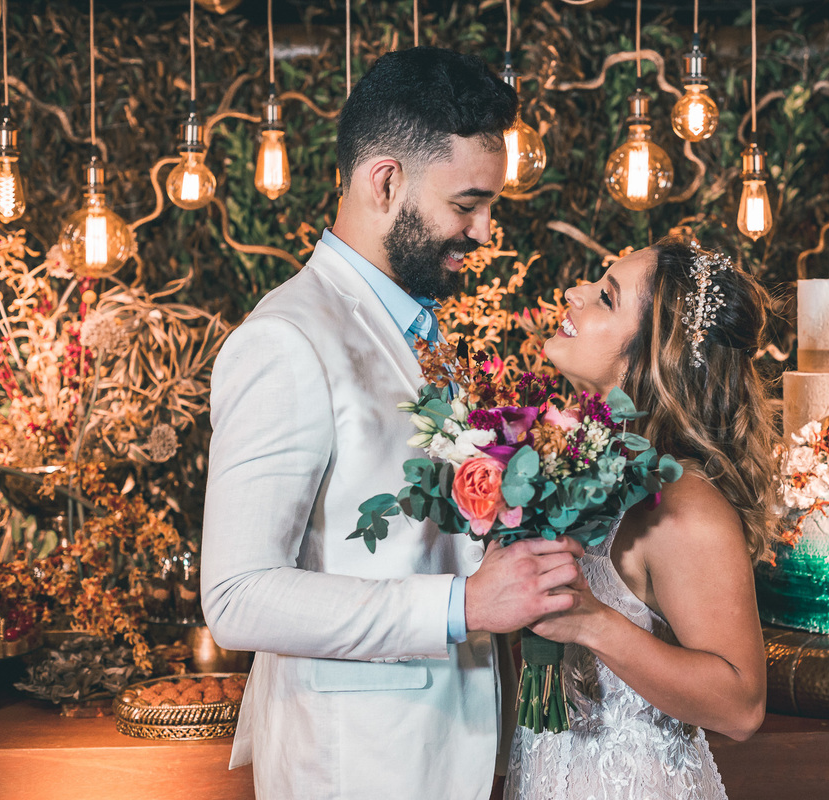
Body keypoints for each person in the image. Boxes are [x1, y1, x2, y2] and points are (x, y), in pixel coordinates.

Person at [200, 47, 584, 800]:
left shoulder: (421, 331)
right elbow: (237, 595)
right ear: (386, 181)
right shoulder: (286, 339)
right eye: (468, 203)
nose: (483, 231)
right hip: (357, 766)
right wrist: (463, 605)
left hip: (453, 749)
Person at [504, 238, 779, 799]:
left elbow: (742, 705)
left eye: (605, 297)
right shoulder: (589, 466)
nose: (573, 294)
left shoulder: (684, 505)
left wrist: (590, 622)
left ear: (654, 352)